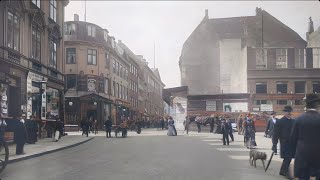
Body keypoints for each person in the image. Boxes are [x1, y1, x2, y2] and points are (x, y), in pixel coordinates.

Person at [291, 94, 320, 180]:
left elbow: (292, 139)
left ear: (306, 105)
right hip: (318, 156)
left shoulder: (299, 119)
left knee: (303, 177)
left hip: (302, 155)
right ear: (317, 105)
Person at [272, 105, 295, 178]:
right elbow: (275, 134)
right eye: (287, 111)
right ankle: (285, 172)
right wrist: (274, 144)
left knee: (289, 158)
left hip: (292, 143)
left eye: (289, 111)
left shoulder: (294, 121)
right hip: (284, 142)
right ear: (284, 112)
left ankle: (282, 171)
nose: (288, 113)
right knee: (287, 157)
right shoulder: (280, 121)